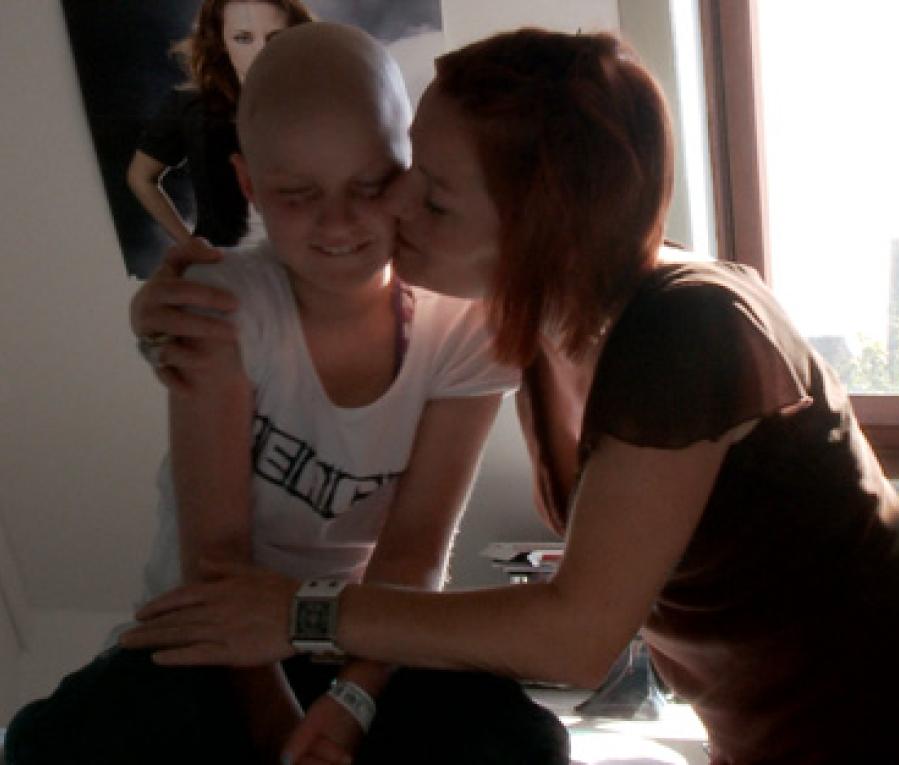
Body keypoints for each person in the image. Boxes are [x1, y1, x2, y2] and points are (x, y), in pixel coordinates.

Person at [120, 27, 899, 765]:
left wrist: (298, 610)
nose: (392, 210)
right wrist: (165, 311)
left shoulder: (691, 325)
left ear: (539, 227)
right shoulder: (535, 335)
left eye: (434, 200)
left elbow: (574, 636)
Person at [5, 23, 570, 765]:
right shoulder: (223, 310)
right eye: (298, 195)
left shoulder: (465, 327)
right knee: (47, 744)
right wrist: (282, 735)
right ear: (249, 185)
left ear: (409, 170)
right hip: (210, 635)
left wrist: (350, 706)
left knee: (524, 741)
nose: (338, 223)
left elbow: (415, 549)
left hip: (353, 630)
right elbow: (216, 556)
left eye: (369, 186)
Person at [126, 0, 313, 250]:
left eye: (276, 37)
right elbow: (141, 177)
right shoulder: (190, 105)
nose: (261, 50)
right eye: (243, 38)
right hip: (224, 260)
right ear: (220, 42)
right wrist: (189, 244)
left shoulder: (322, 100)